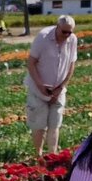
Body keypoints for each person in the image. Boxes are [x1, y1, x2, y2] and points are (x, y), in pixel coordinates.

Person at [25, 14, 79, 154]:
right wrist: (40, 86)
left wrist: (61, 87)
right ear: (57, 27)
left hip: (58, 90)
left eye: (70, 32)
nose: (67, 35)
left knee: (55, 125)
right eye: (64, 32)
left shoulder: (72, 40)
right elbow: (31, 63)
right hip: (38, 89)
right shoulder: (43, 38)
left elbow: (71, 64)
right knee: (39, 125)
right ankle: (39, 155)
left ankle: (52, 156)